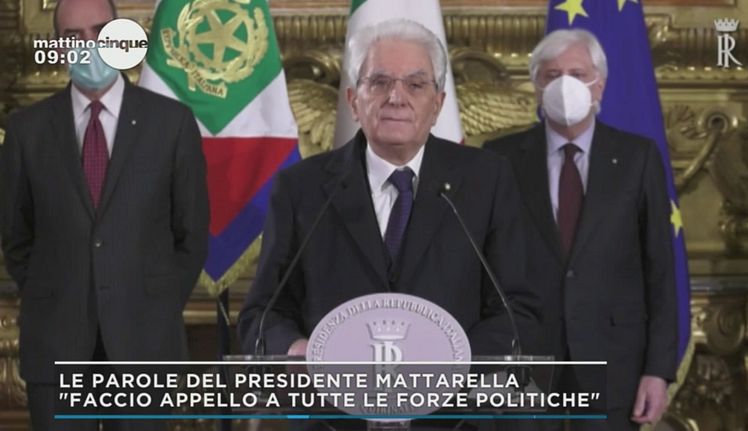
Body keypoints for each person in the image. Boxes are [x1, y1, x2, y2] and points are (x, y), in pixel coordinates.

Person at [238, 15, 538, 388]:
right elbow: (261, 316)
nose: (396, 97)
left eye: (415, 84)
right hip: (336, 404)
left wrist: (449, 364)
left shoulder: (486, 180)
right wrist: (296, 350)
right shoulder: (301, 188)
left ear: (437, 104)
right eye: (379, 82)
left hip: (454, 407)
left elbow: (517, 311)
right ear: (353, 101)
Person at [0, 0, 209, 429]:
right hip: (56, 347)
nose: (89, 45)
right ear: (58, 46)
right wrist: (54, 292)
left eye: (99, 31)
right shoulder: (27, 130)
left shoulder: (170, 123)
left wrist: (153, 302)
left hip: (144, 346)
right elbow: (16, 238)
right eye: (73, 36)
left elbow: (191, 235)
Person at [484, 29, 678, 430]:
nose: (564, 85)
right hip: (524, 361)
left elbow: (659, 269)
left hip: (614, 358)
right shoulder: (501, 158)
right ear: (537, 87)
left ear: (599, 84)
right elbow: (485, 266)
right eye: (552, 75)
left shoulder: (637, 158)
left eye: (577, 74)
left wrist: (658, 371)